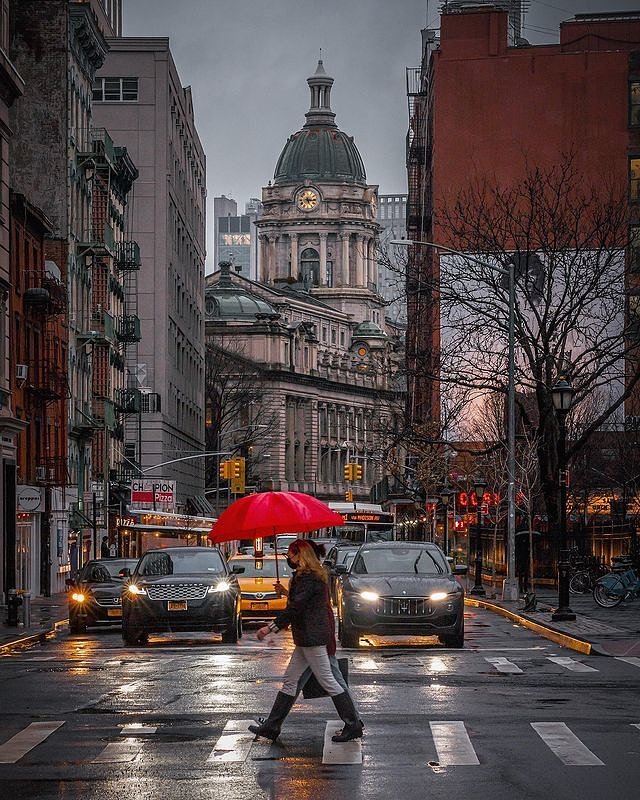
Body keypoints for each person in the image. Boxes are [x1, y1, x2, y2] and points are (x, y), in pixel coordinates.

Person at [249, 539, 363, 743]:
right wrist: (286, 592)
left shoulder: (308, 578)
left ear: (300, 556)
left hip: (312, 638)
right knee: (291, 680)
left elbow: (296, 608)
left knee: (328, 681)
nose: (288, 560)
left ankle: (353, 723)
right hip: (306, 638)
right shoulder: (308, 577)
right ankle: (272, 726)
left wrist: (270, 628)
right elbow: (299, 603)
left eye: (290, 556)